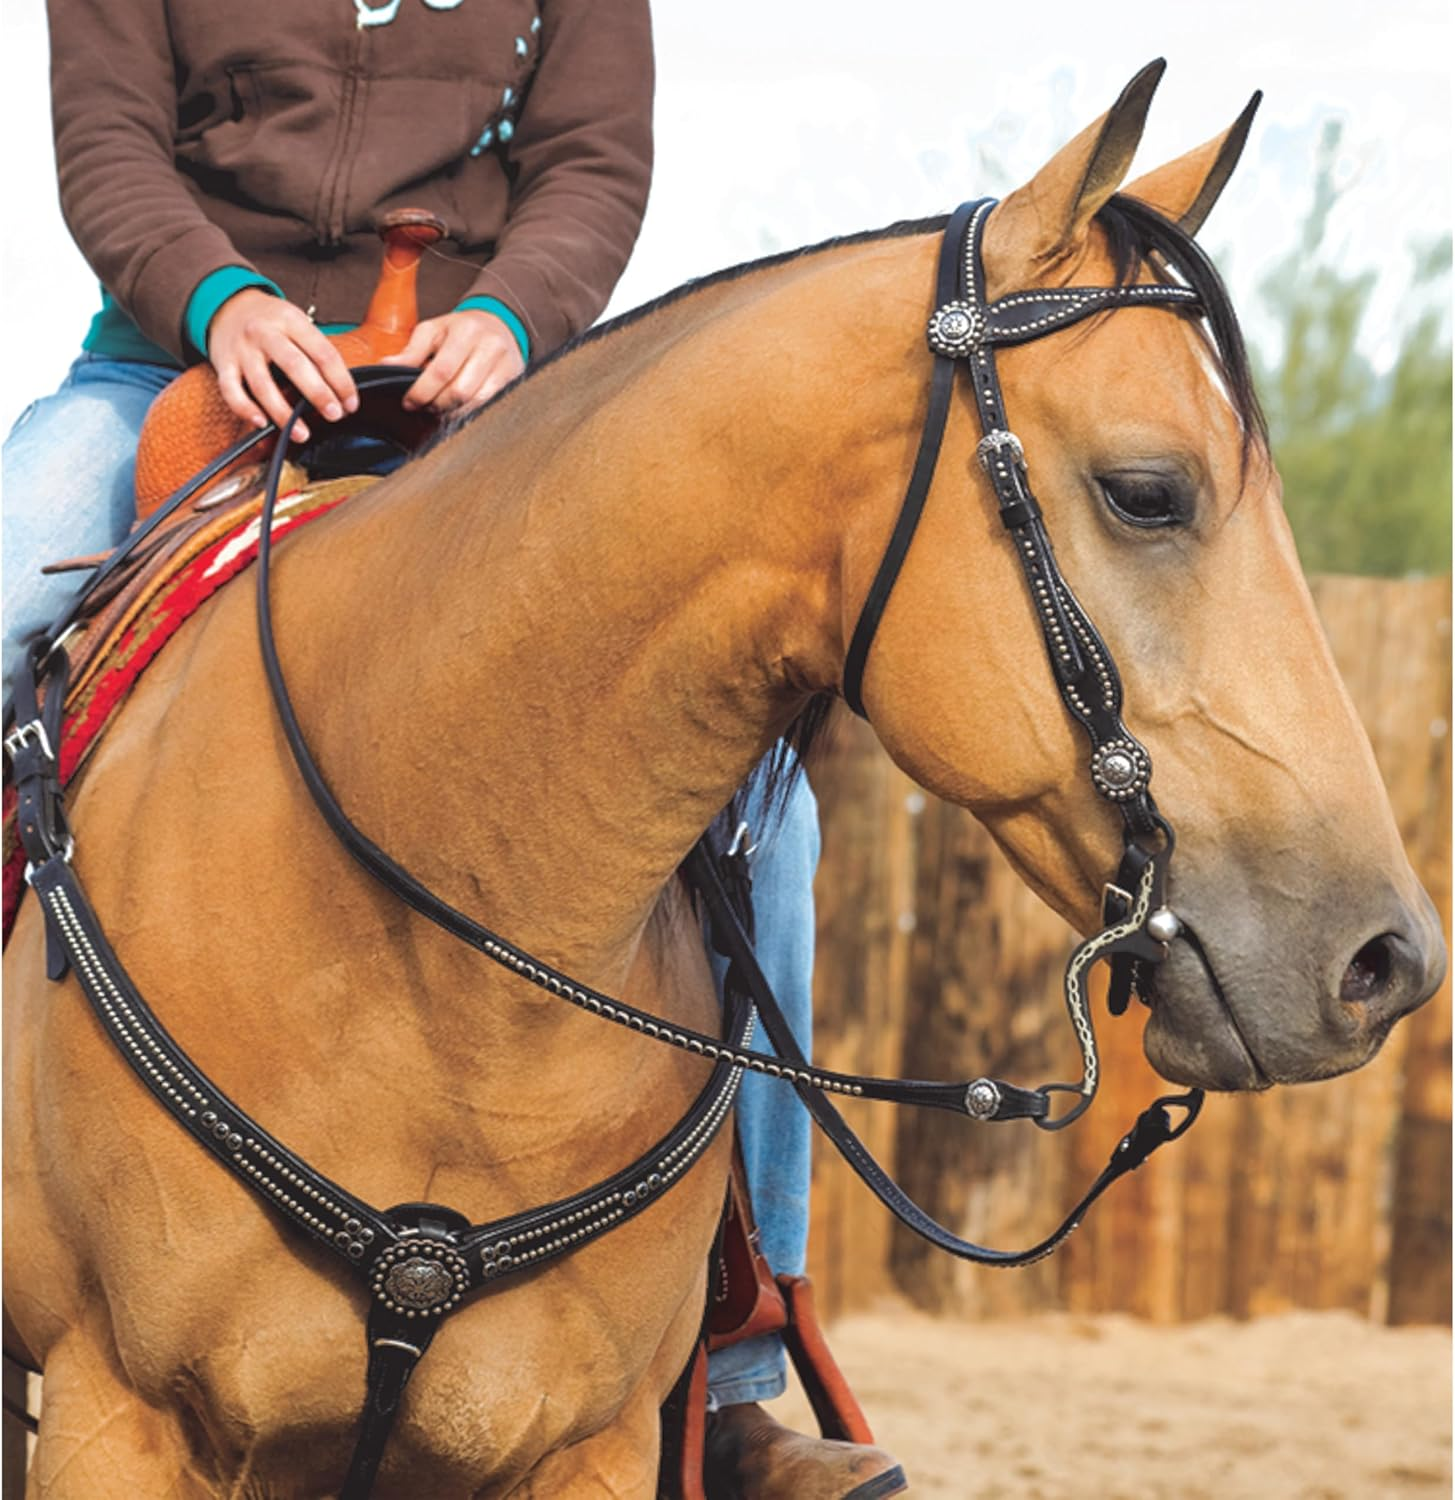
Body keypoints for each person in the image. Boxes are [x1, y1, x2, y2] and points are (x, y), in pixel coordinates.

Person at [2, 3, 899, 1492]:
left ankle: (738, 1369)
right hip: (176, 362)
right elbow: (107, 142)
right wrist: (219, 298)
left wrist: (517, 316)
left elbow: (593, 160)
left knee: (761, 804)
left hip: (487, 389)